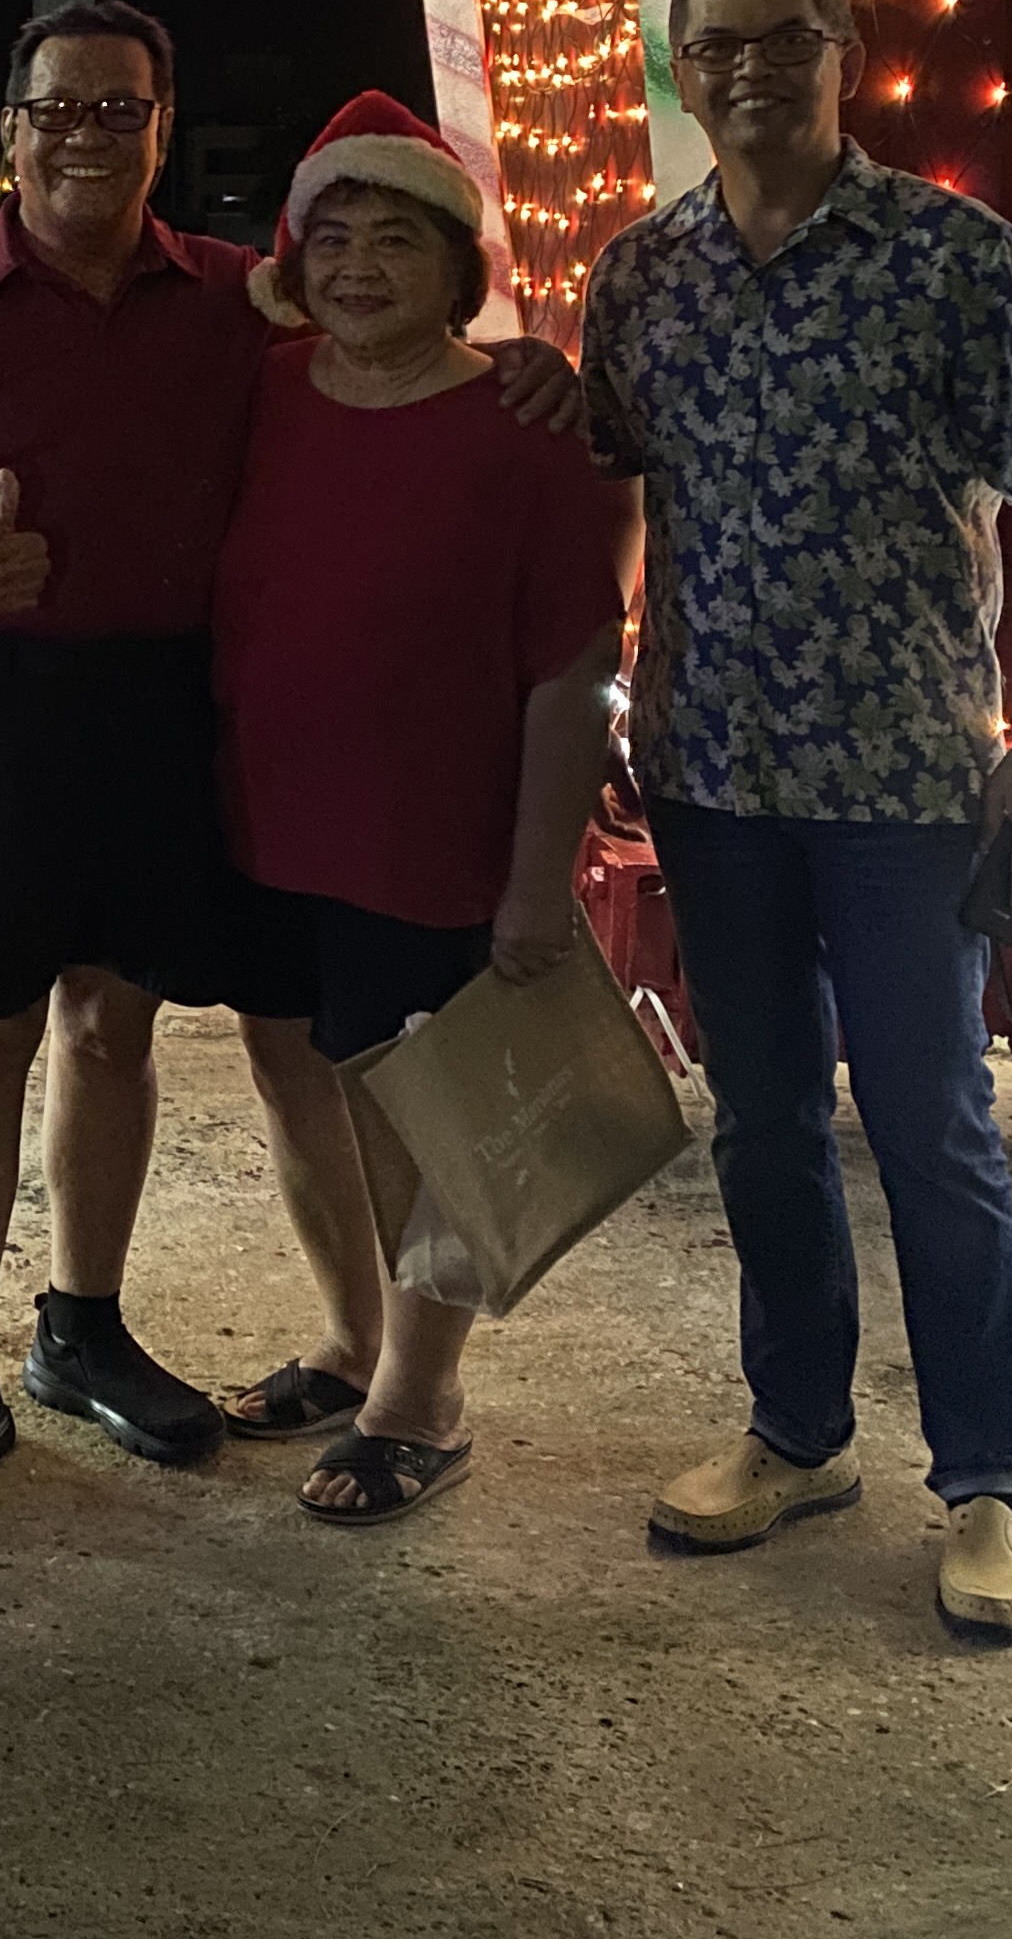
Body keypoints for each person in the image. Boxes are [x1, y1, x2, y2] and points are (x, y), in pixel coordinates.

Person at [0, 1, 578, 1526]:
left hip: (181, 716)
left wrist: (542, 370)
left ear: (161, 131)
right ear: (12, 128)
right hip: (5, 706)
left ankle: (85, 1326)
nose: (87, 135)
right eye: (60, 109)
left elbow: (403, 351)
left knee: (122, 1029)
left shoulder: (243, 303)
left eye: (121, 110)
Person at [582, 0, 1012, 1642]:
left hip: (904, 776)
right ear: (678, 68)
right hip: (712, 770)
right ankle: (798, 1430)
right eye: (709, 45)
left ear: (845, 53)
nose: (742, 69)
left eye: (778, 39)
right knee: (761, 1121)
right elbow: (608, 480)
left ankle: (987, 1476)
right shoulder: (640, 274)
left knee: (931, 1125)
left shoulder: (955, 257)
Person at [205, 93, 633, 1522]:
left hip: (430, 832)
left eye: (397, 240)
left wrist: (536, 875)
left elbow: (574, 670)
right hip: (269, 819)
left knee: (422, 1110)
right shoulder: (265, 389)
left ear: (460, 268)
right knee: (309, 1082)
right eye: (333, 238)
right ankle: (352, 1340)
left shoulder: (524, 426)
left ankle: (421, 1396)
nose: (359, 267)